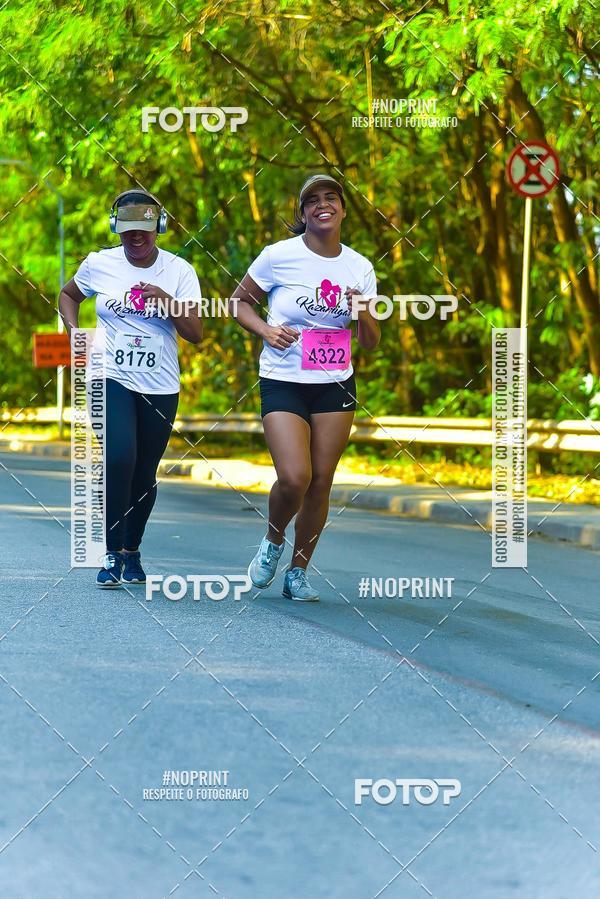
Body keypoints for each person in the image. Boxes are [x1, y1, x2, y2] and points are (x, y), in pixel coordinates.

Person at [231, 174, 380, 601]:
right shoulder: (279, 256)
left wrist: (362, 310)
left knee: (321, 482)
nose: (322, 205)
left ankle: (298, 572)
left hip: (335, 382)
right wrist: (266, 330)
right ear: (303, 213)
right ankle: (273, 539)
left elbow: (371, 340)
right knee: (295, 477)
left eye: (331, 198)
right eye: (312, 200)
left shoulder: (360, 266)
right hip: (283, 379)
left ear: (343, 210)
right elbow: (238, 302)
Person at [59, 189, 202, 588]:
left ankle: (131, 550)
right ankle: (109, 553)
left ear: (159, 226)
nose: (136, 236)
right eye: (127, 228)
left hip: (160, 382)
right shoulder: (99, 263)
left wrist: (168, 301)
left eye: (144, 228)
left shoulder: (179, 271)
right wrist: (75, 333)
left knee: (143, 471)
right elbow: (68, 295)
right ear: (115, 227)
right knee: (119, 457)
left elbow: (195, 333)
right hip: (109, 375)